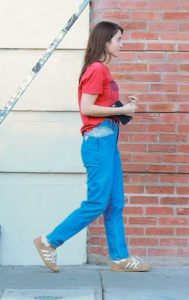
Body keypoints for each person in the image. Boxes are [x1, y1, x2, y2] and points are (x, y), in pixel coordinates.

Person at [34, 21, 151, 273]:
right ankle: (49, 242)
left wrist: (123, 110)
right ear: (106, 41)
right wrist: (121, 109)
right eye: (119, 39)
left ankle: (120, 258)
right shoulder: (97, 69)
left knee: (115, 202)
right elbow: (86, 108)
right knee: (97, 203)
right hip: (98, 143)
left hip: (107, 142)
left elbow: (101, 107)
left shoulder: (101, 70)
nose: (122, 43)